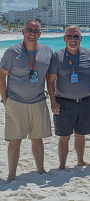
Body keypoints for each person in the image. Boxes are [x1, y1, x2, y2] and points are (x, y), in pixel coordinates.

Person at [0, 20, 52, 182]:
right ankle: (11, 175)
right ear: (23, 31)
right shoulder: (12, 52)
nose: (32, 33)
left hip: (39, 101)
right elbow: (1, 76)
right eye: (29, 30)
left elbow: (51, 76)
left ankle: (40, 169)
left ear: (40, 34)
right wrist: (5, 100)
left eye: (35, 31)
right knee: (15, 141)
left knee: (37, 139)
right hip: (16, 102)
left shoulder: (46, 50)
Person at [47, 25, 90, 170]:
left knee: (81, 136)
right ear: (64, 38)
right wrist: (53, 102)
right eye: (69, 36)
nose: (73, 39)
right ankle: (62, 165)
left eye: (76, 36)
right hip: (63, 103)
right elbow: (50, 81)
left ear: (81, 38)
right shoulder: (57, 56)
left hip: (85, 103)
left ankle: (80, 161)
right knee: (64, 137)